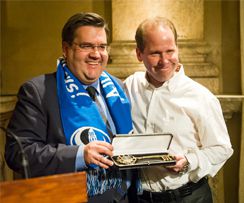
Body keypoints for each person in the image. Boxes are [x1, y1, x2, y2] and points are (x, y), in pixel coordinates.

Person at [5, 12, 134, 203]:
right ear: (66, 49)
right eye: (86, 46)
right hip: (71, 196)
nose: (96, 54)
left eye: (102, 47)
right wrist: (80, 154)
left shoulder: (119, 88)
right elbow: (19, 152)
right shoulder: (38, 91)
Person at [124, 16, 233, 203]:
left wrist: (189, 161)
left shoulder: (201, 97)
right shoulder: (130, 86)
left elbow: (222, 149)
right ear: (139, 54)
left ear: (177, 48)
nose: (164, 60)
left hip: (189, 197)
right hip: (139, 198)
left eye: (170, 51)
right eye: (155, 53)